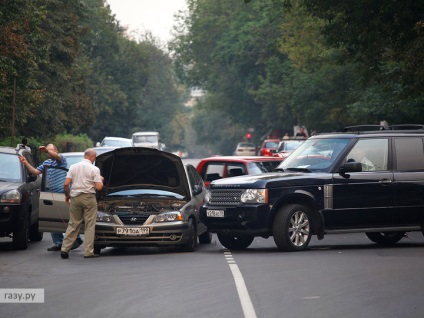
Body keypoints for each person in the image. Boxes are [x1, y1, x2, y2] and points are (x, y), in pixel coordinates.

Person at [19, 144, 83, 251]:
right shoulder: (46, 163)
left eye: (50, 150)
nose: (48, 152)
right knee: (53, 218)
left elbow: (56, 157)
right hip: (50, 195)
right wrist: (25, 163)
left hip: (63, 194)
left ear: (56, 151)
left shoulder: (61, 160)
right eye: (47, 150)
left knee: (66, 218)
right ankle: (58, 242)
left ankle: (77, 238)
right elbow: (35, 172)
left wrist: (46, 151)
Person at [60, 148, 104, 259]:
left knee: (73, 223)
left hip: (75, 198)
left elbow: (66, 184)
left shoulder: (73, 167)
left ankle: (65, 249)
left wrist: (67, 195)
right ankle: (88, 252)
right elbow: (99, 187)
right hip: (89, 198)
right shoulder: (94, 169)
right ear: (92, 157)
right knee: (89, 225)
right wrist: (101, 180)